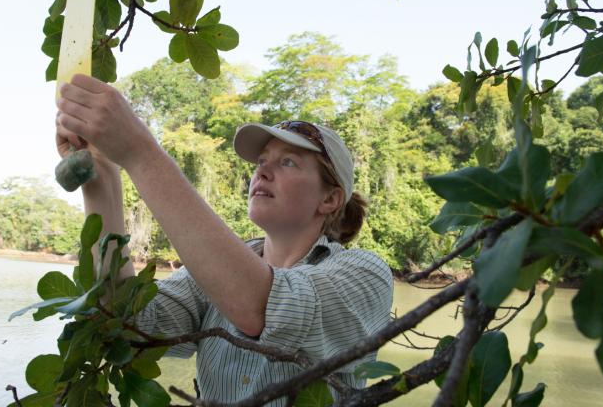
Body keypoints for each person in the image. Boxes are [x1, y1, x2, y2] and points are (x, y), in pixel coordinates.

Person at [55, 74, 394, 405]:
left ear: (330, 199)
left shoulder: (365, 273)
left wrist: (139, 152)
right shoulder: (214, 273)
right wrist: (100, 174)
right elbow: (126, 324)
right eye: (262, 161)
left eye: (288, 162)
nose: (261, 171)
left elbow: (261, 309)